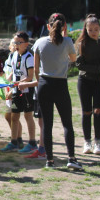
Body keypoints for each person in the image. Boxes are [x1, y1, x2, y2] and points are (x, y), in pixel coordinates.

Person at [31, 13, 81, 169]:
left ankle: (50, 161)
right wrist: (66, 37)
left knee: (47, 124)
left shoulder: (39, 42)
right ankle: (71, 158)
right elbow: (73, 59)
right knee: (67, 123)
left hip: (44, 84)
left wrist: (39, 83)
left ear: (48, 26)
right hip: (60, 84)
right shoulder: (67, 42)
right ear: (64, 27)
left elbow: (36, 68)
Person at [75, 14, 100, 155]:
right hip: (84, 81)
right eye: (90, 29)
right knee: (87, 112)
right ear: (86, 29)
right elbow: (79, 65)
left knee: (98, 110)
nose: (93, 32)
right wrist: (97, 69)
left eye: (96, 29)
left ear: (99, 29)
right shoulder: (82, 44)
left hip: (99, 82)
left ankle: (98, 142)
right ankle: (87, 142)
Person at [0, 32, 37, 154]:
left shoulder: (29, 57)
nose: (16, 45)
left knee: (28, 116)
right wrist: (7, 81)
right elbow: (12, 72)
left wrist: (16, 85)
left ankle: (32, 143)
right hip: (16, 90)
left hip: (26, 91)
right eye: (15, 42)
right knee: (14, 116)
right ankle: (14, 142)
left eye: (19, 42)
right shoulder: (13, 55)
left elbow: (30, 77)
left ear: (26, 44)